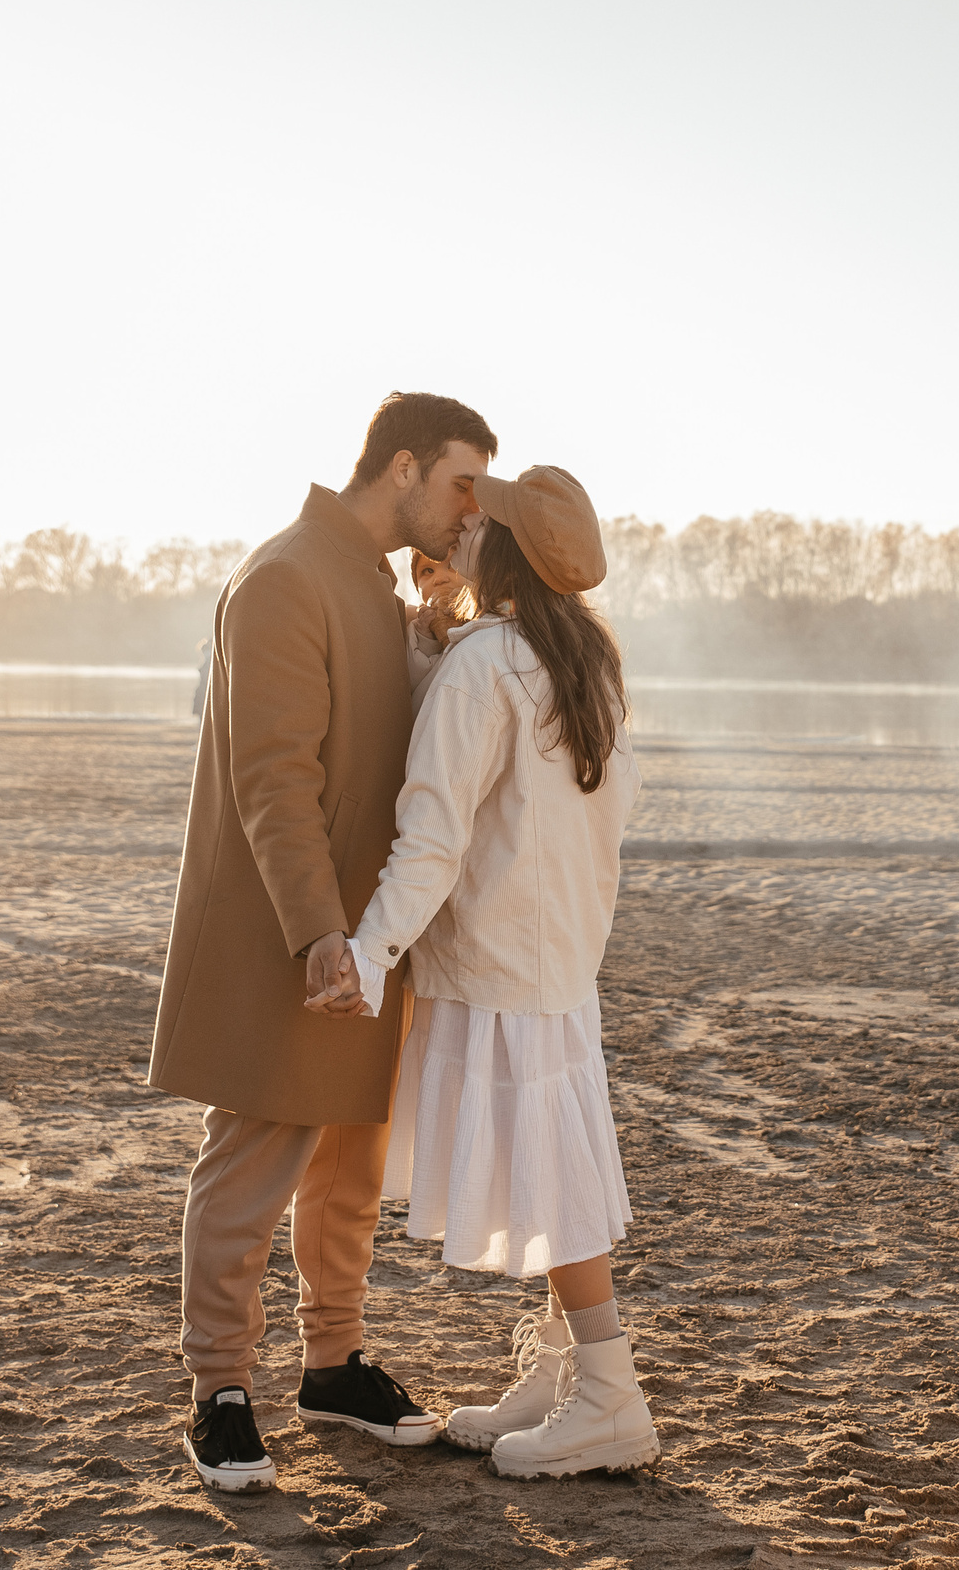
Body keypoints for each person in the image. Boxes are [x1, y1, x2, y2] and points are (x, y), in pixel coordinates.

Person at [147, 392, 495, 1493]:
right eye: (460, 485)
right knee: (253, 1163)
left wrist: (431, 626)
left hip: (367, 935)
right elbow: (274, 779)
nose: (470, 509)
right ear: (402, 468)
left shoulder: (374, 586)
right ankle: (219, 1392)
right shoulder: (289, 575)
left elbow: (386, 737)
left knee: (347, 1165)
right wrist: (315, 934)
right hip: (290, 935)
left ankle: (332, 1364)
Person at [310, 464, 656, 1479]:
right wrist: (435, 650)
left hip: (498, 963)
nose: (457, 527)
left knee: (548, 1174)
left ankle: (608, 1392)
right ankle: (563, 1374)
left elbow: (432, 835)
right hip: (555, 960)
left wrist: (368, 953)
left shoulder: (486, 663)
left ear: (502, 548)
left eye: (476, 518)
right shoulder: (580, 659)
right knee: (552, 1163)